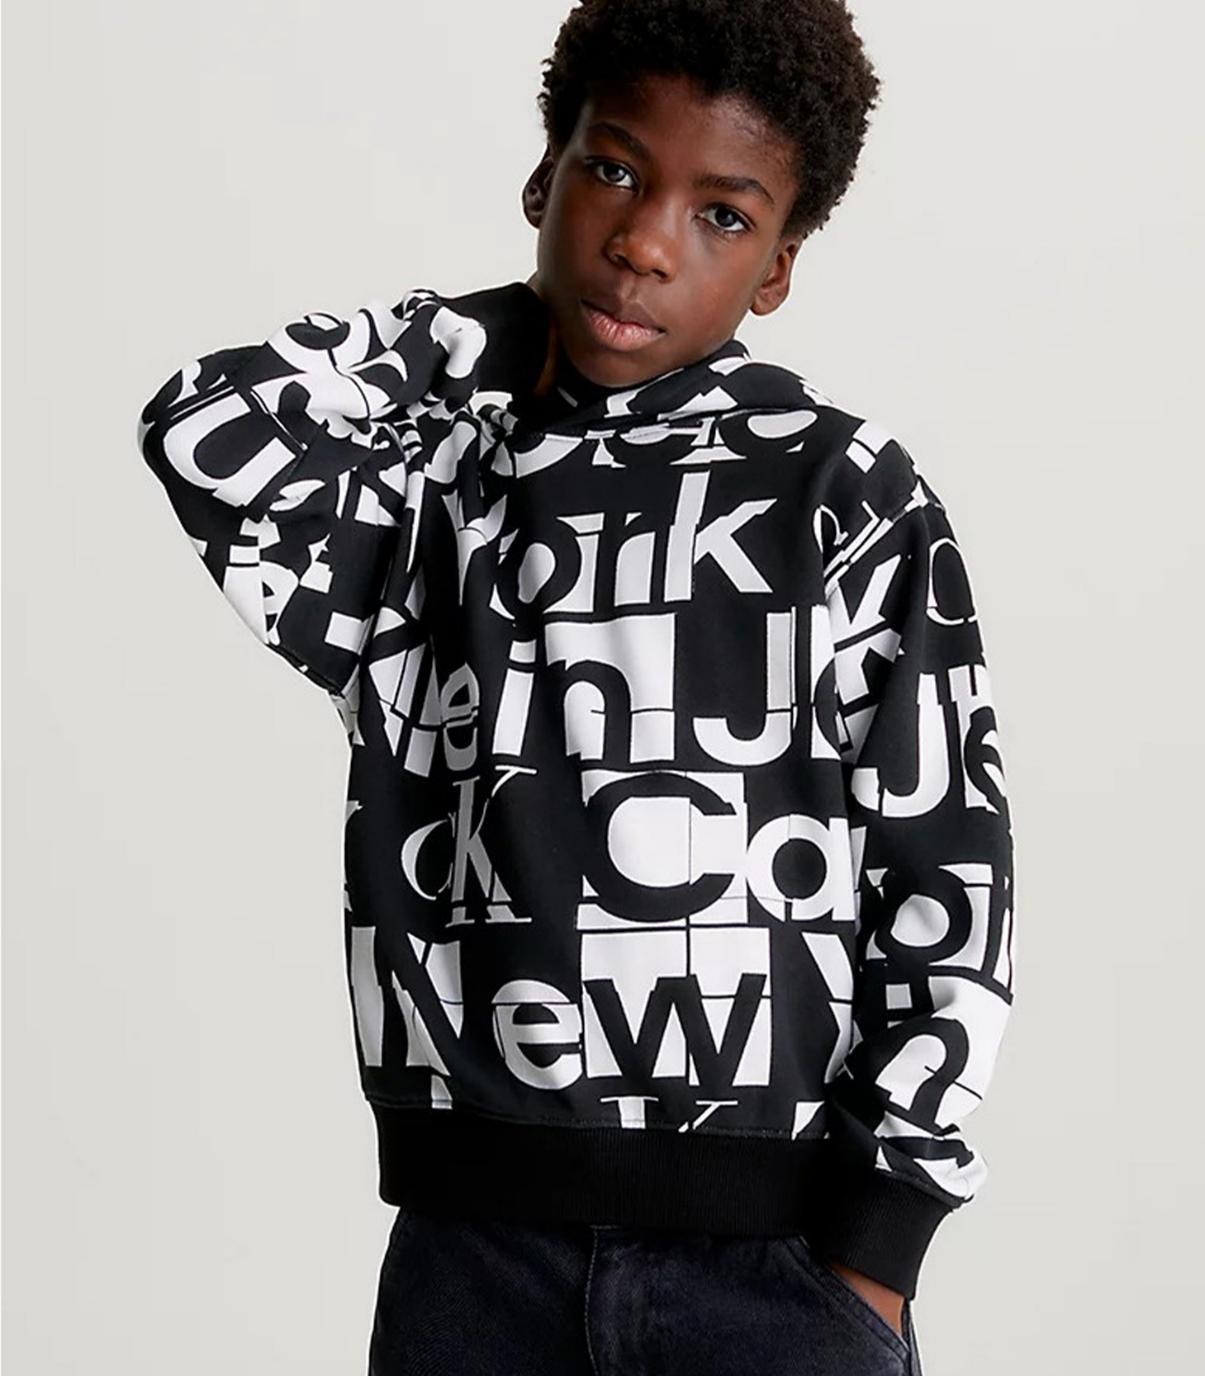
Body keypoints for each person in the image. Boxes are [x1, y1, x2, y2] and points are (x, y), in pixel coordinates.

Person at [136, 2, 1016, 1372]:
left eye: (720, 217)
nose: (645, 243)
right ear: (543, 179)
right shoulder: (432, 495)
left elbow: (945, 870)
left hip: (779, 1273)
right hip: (475, 1261)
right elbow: (207, 424)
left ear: (777, 269)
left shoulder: (843, 492)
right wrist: (488, 333)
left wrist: (877, 1249)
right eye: (612, 172)